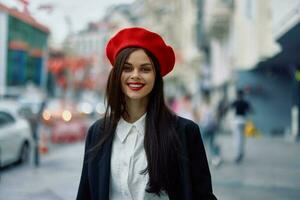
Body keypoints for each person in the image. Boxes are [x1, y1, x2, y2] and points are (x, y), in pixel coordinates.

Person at [76, 27, 217, 200]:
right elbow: (86, 194)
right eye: (127, 68)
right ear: (117, 74)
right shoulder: (98, 133)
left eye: (145, 69)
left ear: (156, 76)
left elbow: (202, 196)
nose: (135, 76)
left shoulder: (185, 132)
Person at [197, 92, 221, 167]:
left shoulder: (201, 107)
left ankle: (203, 160)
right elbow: (216, 117)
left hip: (204, 127)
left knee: (203, 144)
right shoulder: (212, 107)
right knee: (211, 143)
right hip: (212, 128)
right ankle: (214, 159)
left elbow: (199, 117)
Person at [230, 89, 252, 163]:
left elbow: (230, 107)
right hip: (243, 121)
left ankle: (238, 154)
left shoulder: (236, 102)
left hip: (236, 121)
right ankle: (241, 152)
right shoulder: (245, 102)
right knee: (242, 138)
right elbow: (251, 110)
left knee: (237, 138)